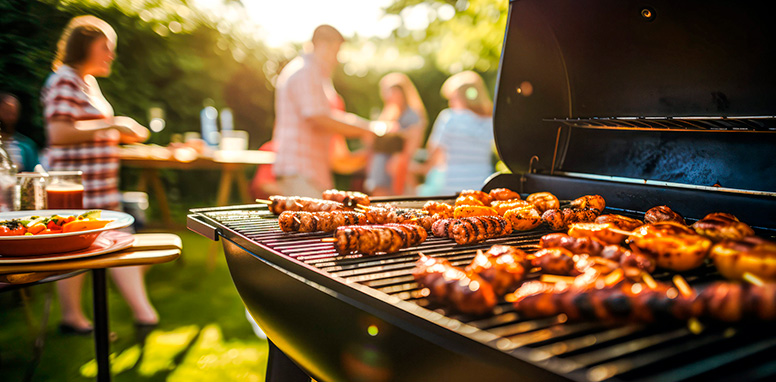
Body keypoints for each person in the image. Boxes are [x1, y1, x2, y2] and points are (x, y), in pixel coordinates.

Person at [41, 16, 157, 333]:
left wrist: (122, 133)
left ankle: (139, 314)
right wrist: (113, 124)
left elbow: (88, 130)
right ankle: (77, 317)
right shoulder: (64, 79)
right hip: (75, 188)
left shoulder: (87, 82)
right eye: (105, 47)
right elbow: (59, 133)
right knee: (85, 250)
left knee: (116, 242)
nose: (111, 55)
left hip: (100, 187)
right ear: (85, 45)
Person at [272, 25, 375, 198]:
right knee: (309, 224)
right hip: (300, 170)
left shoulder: (315, 74)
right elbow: (318, 117)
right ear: (322, 45)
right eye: (336, 51)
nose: (337, 59)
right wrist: (367, 129)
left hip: (311, 171)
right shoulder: (306, 71)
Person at [414, 71, 495, 195]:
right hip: (483, 187)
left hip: (453, 188)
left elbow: (435, 156)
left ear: (460, 96)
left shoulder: (449, 118)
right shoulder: (491, 121)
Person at [366, 73, 427, 196]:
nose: (388, 96)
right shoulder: (389, 112)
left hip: (397, 167)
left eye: (392, 92)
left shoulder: (412, 115)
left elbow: (414, 141)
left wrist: (400, 158)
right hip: (381, 165)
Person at [0, 93, 40, 172]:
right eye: (6, 112)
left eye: (13, 113)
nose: (10, 117)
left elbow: (34, 173)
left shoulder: (27, 145)